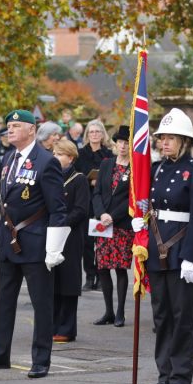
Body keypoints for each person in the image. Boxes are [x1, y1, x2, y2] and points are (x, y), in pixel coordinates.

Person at [0, 109, 70, 379]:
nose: (9, 130)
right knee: (5, 301)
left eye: (16, 126)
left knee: (41, 304)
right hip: (10, 241)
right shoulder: (10, 158)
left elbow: (58, 209)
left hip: (35, 242)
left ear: (32, 130)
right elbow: (5, 203)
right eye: (8, 126)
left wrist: (54, 248)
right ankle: (0, 354)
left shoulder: (46, 162)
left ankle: (41, 359)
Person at [134, 108, 193, 384]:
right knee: (161, 316)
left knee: (182, 317)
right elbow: (150, 204)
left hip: (182, 250)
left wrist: (192, 256)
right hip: (157, 248)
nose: (164, 143)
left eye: (170, 138)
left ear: (184, 141)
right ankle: (164, 372)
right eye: (162, 138)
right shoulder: (156, 170)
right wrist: (139, 218)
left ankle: (181, 376)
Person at [92, 126, 134, 327]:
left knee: (119, 268)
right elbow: (97, 192)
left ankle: (120, 312)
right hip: (103, 224)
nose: (123, 146)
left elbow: (132, 199)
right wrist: (102, 214)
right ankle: (108, 311)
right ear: (115, 144)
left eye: (126, 142)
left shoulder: (135, 169)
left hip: (122, 225)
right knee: (102, 267)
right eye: (120, 142)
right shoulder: (107, 164)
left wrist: (113, 216)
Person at [52, 140, 88, 342]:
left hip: (70, 236)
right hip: (52, 235)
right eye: (54, 154)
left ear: (70, 158)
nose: (55, 158)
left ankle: (66, 328)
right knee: (53, 281)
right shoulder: (52, 177)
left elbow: (81, 209)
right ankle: (53, 324)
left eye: (60, 154)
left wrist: (62, 223)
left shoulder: (78, 179)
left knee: (67, 282)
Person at [76, 119, 112, 291]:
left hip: (103, 203)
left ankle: (101, 275)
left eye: (98, 131)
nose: (95, 134)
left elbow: (114, 178)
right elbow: (75, 177)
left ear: (103, 134)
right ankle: (89, 276)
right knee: (87, 243)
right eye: (91, 132)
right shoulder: (80, 154)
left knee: (102, 240)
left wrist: (99, 183)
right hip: (85, 201)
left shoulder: (109, 155)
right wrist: (88, 181)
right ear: (87, 134)